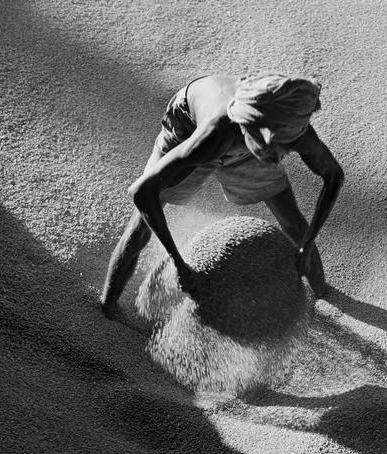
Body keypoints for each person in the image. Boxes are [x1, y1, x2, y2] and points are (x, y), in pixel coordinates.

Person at [100, 73, 344, 318]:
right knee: (140, 229)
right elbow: (143, 192)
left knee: (295, 224)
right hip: (190, 126)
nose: (281, 158)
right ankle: (107, 309)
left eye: (285, 148)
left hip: (249, 136)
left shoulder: (294, 131)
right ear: (260, 137)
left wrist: (307, 244)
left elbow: (334, 176)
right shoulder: (214, 136)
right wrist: (178, 262)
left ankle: (325, 297)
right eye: (274, 150)